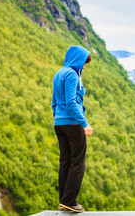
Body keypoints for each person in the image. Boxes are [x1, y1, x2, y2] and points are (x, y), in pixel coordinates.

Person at [51, 45, 93, 213]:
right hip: (73, 124)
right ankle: (70, 201)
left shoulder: (58, 73)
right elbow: (71, 103)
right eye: (83, 62)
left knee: (65, 161)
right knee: (78, 162)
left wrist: (57, 118)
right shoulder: (71, 75)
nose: (84, 66)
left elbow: (55, 102)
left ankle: (64, 200)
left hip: (59, 124)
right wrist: (84, 123)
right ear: (77, 59)